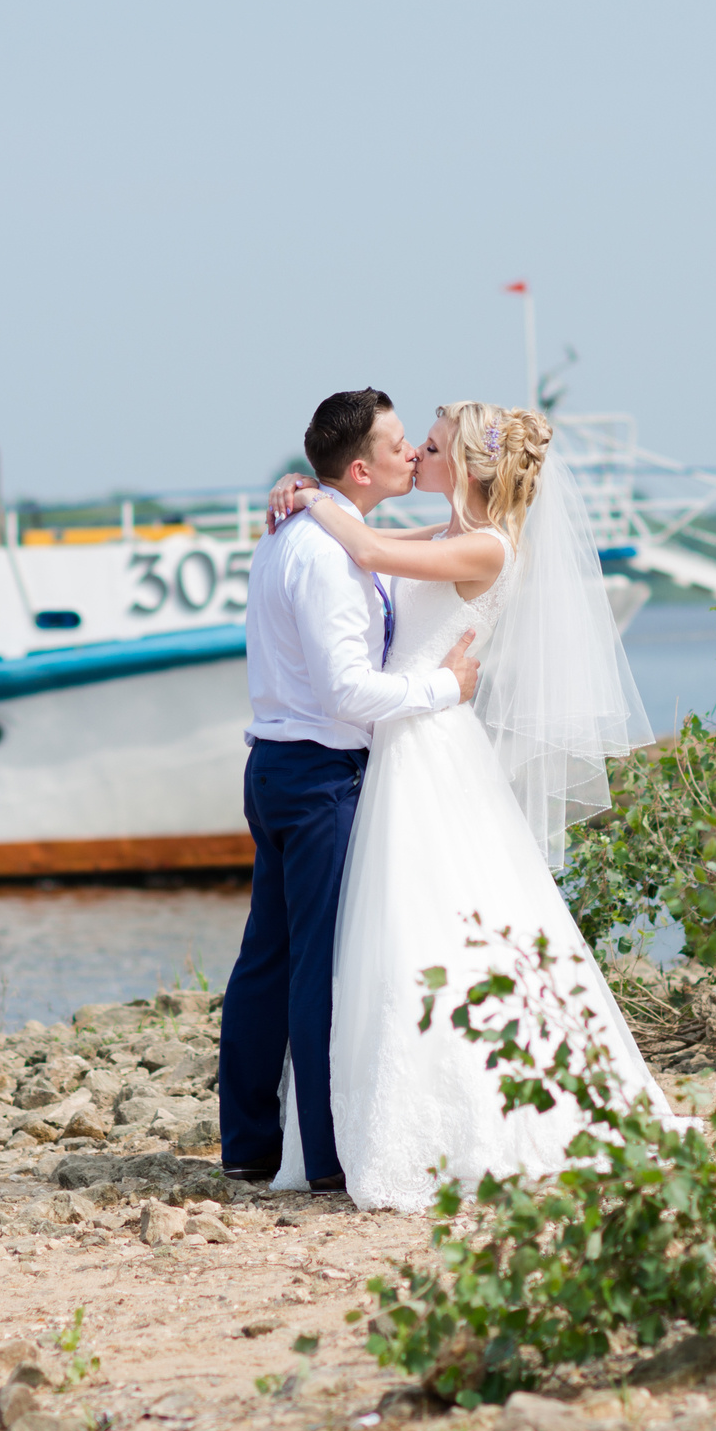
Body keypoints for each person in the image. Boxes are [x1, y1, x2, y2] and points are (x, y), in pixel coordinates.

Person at [261, 400, 685, 1210]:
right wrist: (312, 489)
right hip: (411, 745)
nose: (416, 452)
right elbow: (381, 549)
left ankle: (459, 1116)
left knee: (431, 919)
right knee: (405, 925)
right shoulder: (450, 536)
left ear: (465, 463)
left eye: (430, 444)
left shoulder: (486, 546)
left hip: (430, 748)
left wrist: (316, 496)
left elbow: (367, 545)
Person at [219, 389, 481, 1194]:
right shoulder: (329, 553)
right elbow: (345, 693)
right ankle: (325, 1153)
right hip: (318, 773)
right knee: (317, 964)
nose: (412, 455)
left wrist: (305, 493)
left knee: (267, 955)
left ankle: (250, 1141)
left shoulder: (307, 531)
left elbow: (395, 546)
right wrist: (443, 689)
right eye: (401, 445)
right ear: (361, 467)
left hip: (275, 767)